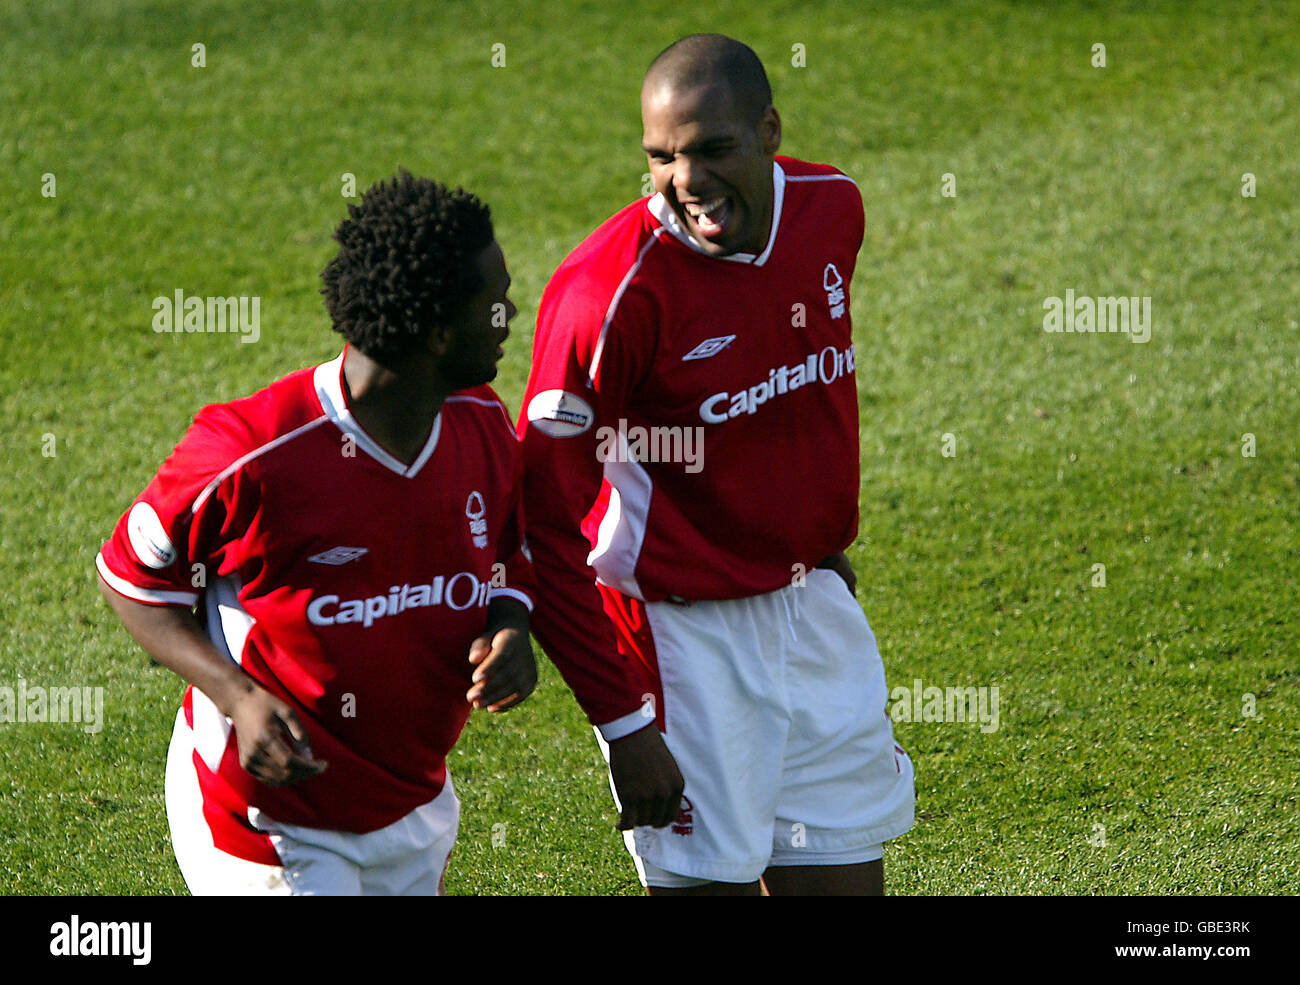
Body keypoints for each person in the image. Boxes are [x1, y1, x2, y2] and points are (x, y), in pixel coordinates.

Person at [518, 34, 915, 896]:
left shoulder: (832, 208)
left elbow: (791, 377)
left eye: (712, 149)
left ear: (769, 130)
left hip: (810, 609)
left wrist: (806, 536)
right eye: (661, 157)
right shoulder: (606, 297)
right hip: (679, 641)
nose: (687, 181)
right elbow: (540, 520)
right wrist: (625, 725)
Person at [96, 172, 537, 895]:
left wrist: (511, 623)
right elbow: (131, 580)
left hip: (412, 806)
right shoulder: (251, 451)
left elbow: (509, 555)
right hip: (270, 821)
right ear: (436, 332)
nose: (510, 313)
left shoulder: (482, 424)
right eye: (494, 301)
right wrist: (236, 696)